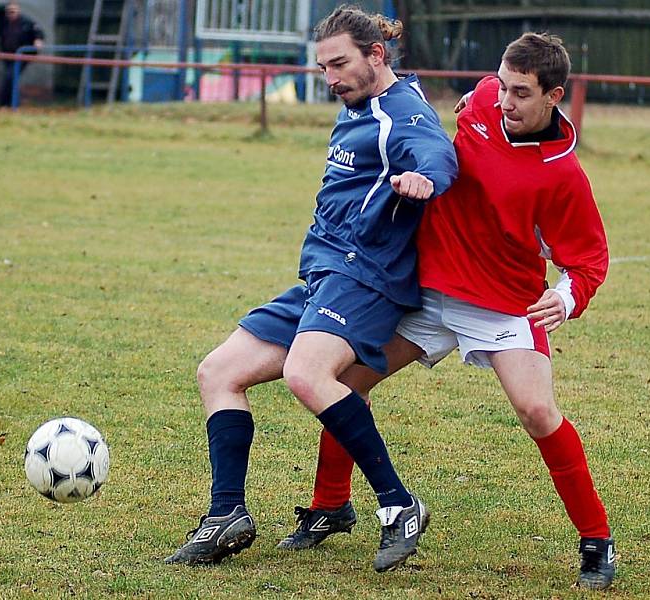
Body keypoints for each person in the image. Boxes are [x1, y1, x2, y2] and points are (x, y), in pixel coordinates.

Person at [277, 32, 617, 590]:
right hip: (429, 292)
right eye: (502, 86)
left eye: (521, 94)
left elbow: (589, 260)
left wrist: (567, 296)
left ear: (553, 96)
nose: (505, 101)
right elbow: (478, 98)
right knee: (344, 383)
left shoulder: (563, 176)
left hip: (503, 306)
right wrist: (476, 101)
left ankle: (597, 540)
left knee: (537, 413)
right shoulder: (486, 98)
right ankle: (330, 507)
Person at [164, 5, 458, 572]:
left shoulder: (402, 110)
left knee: (306, 373)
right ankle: (226, 513)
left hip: (368, 277)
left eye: (340, 64)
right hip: (326, 276)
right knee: (218, 372)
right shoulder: (356, 105)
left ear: (378, 55)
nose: (331, 78)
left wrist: (426, 178)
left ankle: (399, 506)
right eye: (323, 67)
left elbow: (436, 152)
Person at [0, 2, 45, 107]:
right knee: (10, 78)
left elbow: (38, 31)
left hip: (22, 56)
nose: (11, 14)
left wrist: (38, 40)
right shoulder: (4, 23)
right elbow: (1, 37)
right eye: (9, 12)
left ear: (18, 11)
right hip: (8, 56)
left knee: (10, 77)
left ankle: (4, 103)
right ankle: (11, 103)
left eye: (13, 11)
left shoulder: (26, 22)